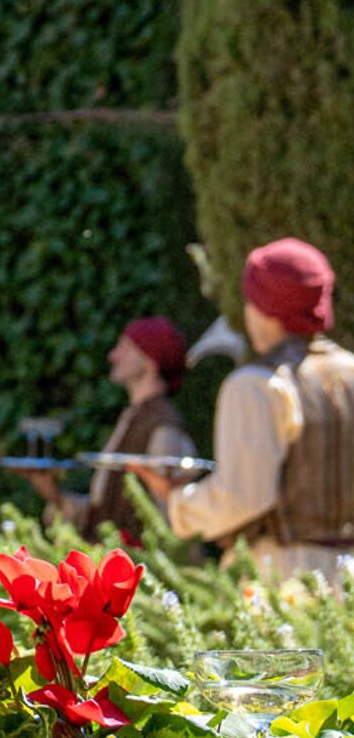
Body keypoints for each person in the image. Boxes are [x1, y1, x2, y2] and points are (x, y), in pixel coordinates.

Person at [136, 238, 354, 585]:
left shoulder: (257, 385)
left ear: (265, 306)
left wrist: (177, 500)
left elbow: (242, 497)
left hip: (284, 582)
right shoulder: (350, 371)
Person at [29, 317, 196, 541]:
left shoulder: (164, 428)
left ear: (150, 361)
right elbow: (104, 511)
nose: (113, 356)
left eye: (126, 347)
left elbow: (170, 516)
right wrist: (54, 495)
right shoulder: (134, 417)